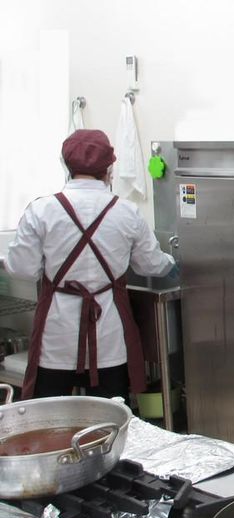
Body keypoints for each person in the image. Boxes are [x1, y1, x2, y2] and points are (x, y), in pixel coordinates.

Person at [6, 129, 176, 400]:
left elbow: (21, 268)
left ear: (66, 165)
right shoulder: (126, 212)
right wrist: (173, 262)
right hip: (109, 335)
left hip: (56, 337)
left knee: (51, 416)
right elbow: (151, 266)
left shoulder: (41, 210)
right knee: (110, 417)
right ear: (109, 169)